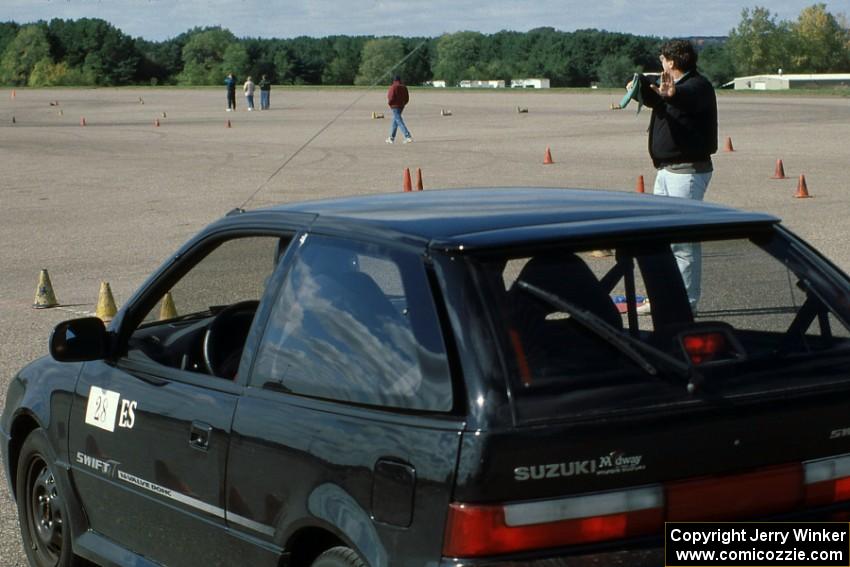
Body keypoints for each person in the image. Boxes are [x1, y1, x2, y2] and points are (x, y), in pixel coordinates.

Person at [632, 39, 717, 312]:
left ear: (671, 62)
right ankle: (661, 298)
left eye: (663, 59)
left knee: (684, 241)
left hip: (687, 173)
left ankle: (687, 303)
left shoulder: (697, 86)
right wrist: (638, 89)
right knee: (663, 238)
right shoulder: (674, 87)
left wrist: (672, 95)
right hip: (666, 171)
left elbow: (686, 99)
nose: (660, 62)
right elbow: (656, 100)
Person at [385, 75, 412, 144]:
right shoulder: (404, 87)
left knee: (399, 121)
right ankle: (391, 137)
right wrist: (403, 104)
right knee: (395, 121)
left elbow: (390, 97)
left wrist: (390, 103)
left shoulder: (393, 87)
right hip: (401, 106)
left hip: (395, 106)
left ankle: (407, 136)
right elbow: (407, 98)